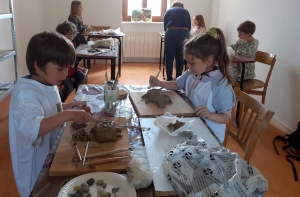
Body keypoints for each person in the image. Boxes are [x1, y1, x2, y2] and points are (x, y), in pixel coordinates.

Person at [9, 31, 96, 197]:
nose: (65, 74)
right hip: (35, 172)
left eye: (68, 69)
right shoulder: (25, 94)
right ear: (37, 66)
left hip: (51, 157)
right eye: (60, 69)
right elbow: (30, 128)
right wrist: (68, 114)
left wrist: (65, 106)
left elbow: (47, 109)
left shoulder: (46, 82)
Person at [149, 28, 236, 142]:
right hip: (192, 127)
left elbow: (226, 118)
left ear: (209, 61)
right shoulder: (192, 73)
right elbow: (177, 84)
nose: (188, 66)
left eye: (192, 62)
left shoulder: (220, 85)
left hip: (210, 135)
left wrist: (210, 115)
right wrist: (159, 83)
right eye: (187, 62)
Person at [56, 21, 87, 102]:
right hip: (63, 69)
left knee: (82, 77)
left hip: (71, 68)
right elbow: (64, 62)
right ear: (61, 35)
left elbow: (72, 61)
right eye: (67, 34)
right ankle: (59, 102)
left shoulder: (71, 44)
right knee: (68, 88)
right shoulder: (60, 46)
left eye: (71, 33)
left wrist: (79, 68)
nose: (70, 36)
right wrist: (76, 67)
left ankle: (75, 93)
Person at [163, 0, 191, 81]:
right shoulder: (186, 11)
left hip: (171, 32)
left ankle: (169, 78)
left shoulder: (168, 11)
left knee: (169, 57)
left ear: (173, 6)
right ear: (181, 7)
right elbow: (189, 26)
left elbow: (165, 26)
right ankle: (179, 78)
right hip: (184, 33)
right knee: (180, 57)